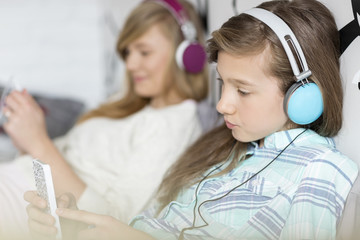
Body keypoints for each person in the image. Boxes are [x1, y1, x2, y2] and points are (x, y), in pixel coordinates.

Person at [25, 0, 359, 239]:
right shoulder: (217, 152)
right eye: (222, 85)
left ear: (303, 96)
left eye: (242, 91)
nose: (223, 105)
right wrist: (75, 224)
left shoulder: (319, 170)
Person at [0, 0, 211, 239]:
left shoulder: (175, 123)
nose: (130, 64)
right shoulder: (127, 103)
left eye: (144, 52)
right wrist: (25, 140)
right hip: (15, 183)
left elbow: (114, 218)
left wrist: (38, 142)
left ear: (186, 55)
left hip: (27, 206)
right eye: (128, 52)